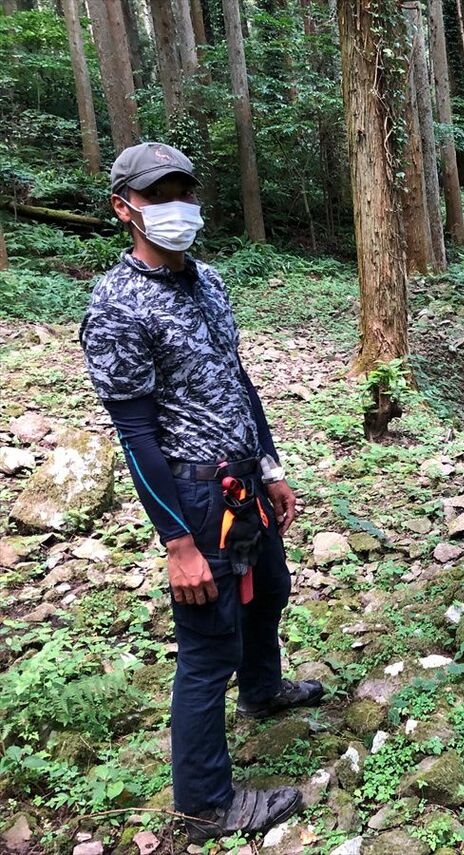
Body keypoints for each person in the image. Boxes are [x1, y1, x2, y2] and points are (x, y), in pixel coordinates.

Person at [79, 142, 325, 843]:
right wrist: (178, 542)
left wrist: (270, 467)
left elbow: (239, 381)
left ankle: (263, 689)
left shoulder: (209, 281)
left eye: (183, 190)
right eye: (159, 195)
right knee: (206, 646)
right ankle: (204, 804)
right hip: (192, 492)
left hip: (243, 477)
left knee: (270, 590)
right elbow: (133, 432)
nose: (176, 206)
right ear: (125, 209)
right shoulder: (118, 305)